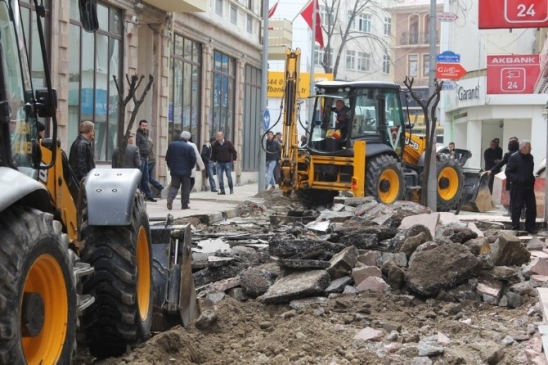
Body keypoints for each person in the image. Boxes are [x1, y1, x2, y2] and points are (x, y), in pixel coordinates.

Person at [505, 140, 537, 234]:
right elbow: (508, 172)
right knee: (516, 207)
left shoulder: (530, 157)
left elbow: (530, 170)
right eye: (528, 147)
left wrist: (531, 179)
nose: (530, 149)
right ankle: (515, 227)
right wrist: (518, 179)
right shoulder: (514, 157)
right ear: (523, 148)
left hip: (528, 186)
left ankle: (530, 227)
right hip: (517, 187)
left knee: (531, 207)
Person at [487, 137, 519, 216]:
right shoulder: (520, 154)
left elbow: (500, 163)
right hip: (520, 178)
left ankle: (511, 211)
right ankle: (516, 211)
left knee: (512, 195)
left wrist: (491, 170)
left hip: (511, 177)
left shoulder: (508, 155)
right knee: (518, 195)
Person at [165, 131, 196, 210]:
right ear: (188, 138)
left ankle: (170, 199)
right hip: (186, 171)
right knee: (185, 188)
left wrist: (170, 166)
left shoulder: (172, 145)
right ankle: (184, 205)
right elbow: (193, 159)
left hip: (174, 170)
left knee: (174, 186)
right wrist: (190, 167)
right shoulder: (189, 147)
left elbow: (167, 157)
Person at [136, 119, 156, 202]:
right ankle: (140, 195)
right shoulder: (138, 134)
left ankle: (149, 195)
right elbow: (137, 146)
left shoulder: (146, 134)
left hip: (146, 158)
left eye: (145, 126)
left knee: (146, 177)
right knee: (140, 177)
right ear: (140, 126)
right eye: (143, 126)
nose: (144, 127)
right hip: (141, 158)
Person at [211, 131, 237, 195]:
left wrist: (234, 159)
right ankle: (222, 190)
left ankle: (231, 189)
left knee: (229, 176)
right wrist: (214, 161)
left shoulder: (228, 143)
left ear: (223, 136)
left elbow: (234, 151)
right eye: (217, 136)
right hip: (219, 163)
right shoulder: (215, 144)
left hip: (227, 162)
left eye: (219, 136)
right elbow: (213, 153)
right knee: (220, 177)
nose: (218, 138)